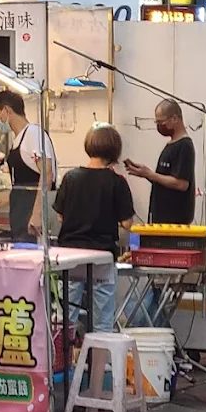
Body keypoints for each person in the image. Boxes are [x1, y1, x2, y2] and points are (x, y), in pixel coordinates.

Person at [54, 122, 137, 333]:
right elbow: (128, 224)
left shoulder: (70, 178)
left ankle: (63, 363)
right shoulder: (117, 182)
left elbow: (60, 216)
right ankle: (100, 366)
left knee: (65, 320)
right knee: (102, 322)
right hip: (101, 257)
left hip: (70, 258)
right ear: (114, 151)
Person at [0, 90, 57, 241]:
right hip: (20, 216)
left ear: (7, 110)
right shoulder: (18, 139)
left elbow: (47, 174)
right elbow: (20, 184)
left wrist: (37, 215)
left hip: (31, 218)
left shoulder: (33, 134)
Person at [125, 99, 196, 224]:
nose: (159, 126)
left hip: (174, 221)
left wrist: (150, 174)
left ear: (174, 118)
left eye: (160, 122)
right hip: (160, 217)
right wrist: (144, 173)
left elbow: (181, 184)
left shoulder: (184, 146)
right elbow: (164, 179)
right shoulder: (171, 145)